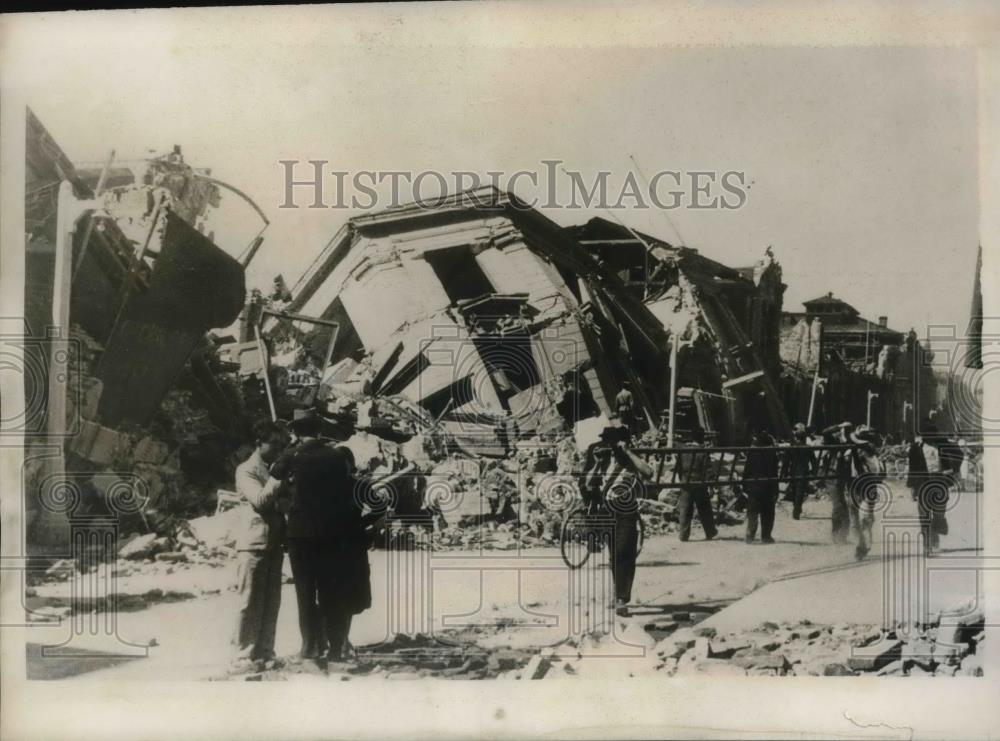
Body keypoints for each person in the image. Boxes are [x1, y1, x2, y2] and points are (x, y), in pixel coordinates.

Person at [264, 409, 372, 666]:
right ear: (318, 429)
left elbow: (274, 472)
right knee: (329, 590)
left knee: (305, 591)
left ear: (297, 432)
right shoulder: (335, 456)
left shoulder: (293, 455)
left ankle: (310, 647)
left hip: (301, 536)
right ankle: (335, 647)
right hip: (330, 534)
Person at [231, 420, 289, 670]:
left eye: (281, 445)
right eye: (274, 445)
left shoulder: (270, 468)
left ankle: (265, 651)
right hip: (253, 543)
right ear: (259, 443)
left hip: (274, 543)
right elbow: (261, 501)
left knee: (271, 601)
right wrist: (277, 479)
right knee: (250, 602)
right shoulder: (246, 470)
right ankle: (244, 655)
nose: (278, 450)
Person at [581, 424, 652, 616]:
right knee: (614, 554)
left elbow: (648, 472)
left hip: (627, 509)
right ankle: (618, 593)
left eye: (613, 441)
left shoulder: (630, 459)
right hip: (607, 510)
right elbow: (587, 484)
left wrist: (628, 452)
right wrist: (596, 463)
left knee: (624, 551)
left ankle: (622, 598)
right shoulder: (601, 459)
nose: (609, 445)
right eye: (607, 440)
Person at [848, 425, 885, 561]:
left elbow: (879, 473)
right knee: (855, 518)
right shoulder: (855, 451)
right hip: (854, 486)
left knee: (864, 517)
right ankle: (860, 544)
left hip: (867, 488)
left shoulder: (870, 451)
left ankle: (863, 546)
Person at [675, 428, 718, 542]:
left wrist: (682, 479)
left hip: (686, 482)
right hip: (699, 482)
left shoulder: (683, 450)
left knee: (685, 509)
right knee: (704, 507)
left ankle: (683, 534)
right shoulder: (702, 451)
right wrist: (711, 485)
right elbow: (707, 470)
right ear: (701, 437)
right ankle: (710, 531)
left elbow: (678, 467)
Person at [742, 428, 778, 544]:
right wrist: (775, 490)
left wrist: (745, 486)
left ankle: (750, 534)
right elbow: (774, 473)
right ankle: (766, 536)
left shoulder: (752, 454)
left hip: (753, 486)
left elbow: (746, 471)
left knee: (752, 511)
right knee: (767, 512)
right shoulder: (772, 455)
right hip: (767, 486)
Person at [823, 421, 854, 544]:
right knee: (839, 507)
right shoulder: (833, 442)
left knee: (843, 507)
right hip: (832, 477)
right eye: (844, 430)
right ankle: (837, 536)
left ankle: (841, 537)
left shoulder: (848, 443)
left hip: (841, 478)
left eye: (847, 430)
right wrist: (837, 426)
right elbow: (825, 432)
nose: (844, 433)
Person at [787, 423, 813, 520]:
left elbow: (786, 461)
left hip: (793, 471)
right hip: (803, 472)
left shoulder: (791, 448)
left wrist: (784, 473)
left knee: (794, 490)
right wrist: (814, 472)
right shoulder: (808, 448)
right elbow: (814, 461)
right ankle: (797, 510)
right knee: (799, 492)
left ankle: (796, 508)